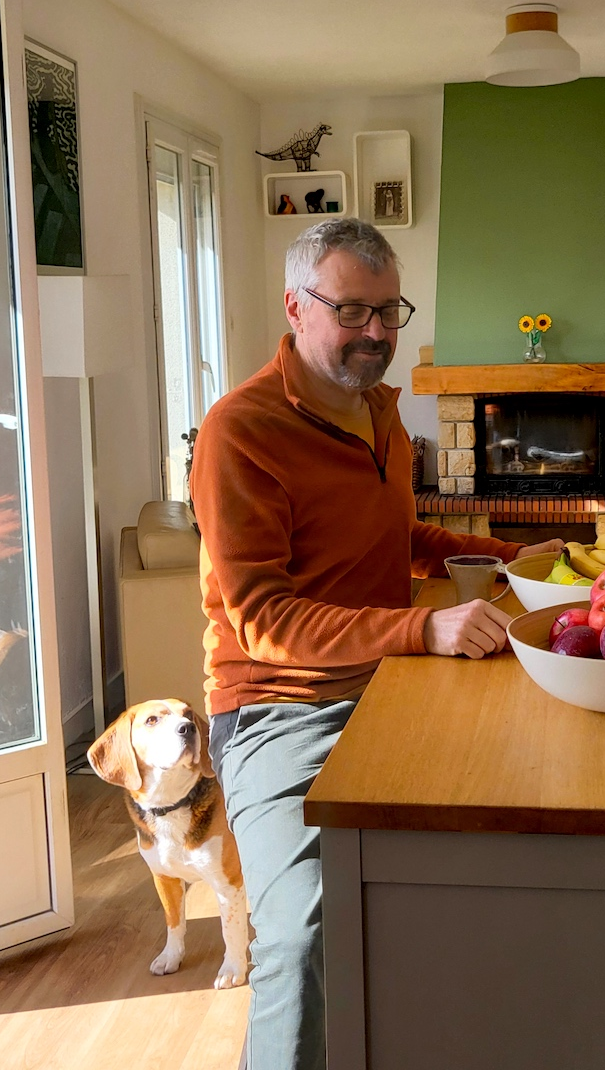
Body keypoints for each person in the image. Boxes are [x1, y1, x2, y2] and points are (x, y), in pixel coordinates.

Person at [189, 218, 563, 1070]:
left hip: (390, 680)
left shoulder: (380, 412)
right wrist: (424, 627)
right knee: (307, 929)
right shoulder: (240, 431)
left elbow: (397, 537)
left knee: (510, 845)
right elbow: (265, 619)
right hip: (279, 708)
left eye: (389, 310)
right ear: (296, 306)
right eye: (353, 310)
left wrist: (508, 559)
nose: (377, 332)